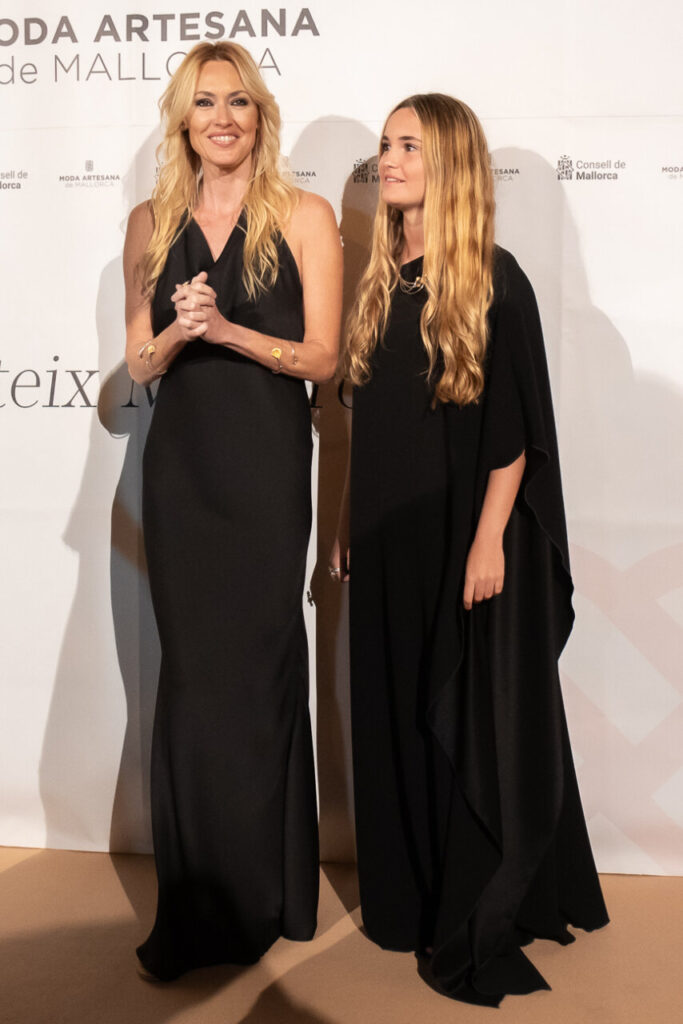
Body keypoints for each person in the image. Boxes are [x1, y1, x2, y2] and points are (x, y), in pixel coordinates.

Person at [331, 93, 608, 1006]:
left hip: (458, 540)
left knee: (450, 717)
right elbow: (367, 431)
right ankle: (400, 900)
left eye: (408, 144)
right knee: (388, 713)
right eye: (383, 144)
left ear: (449, 161)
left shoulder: (495, 276)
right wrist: (341, 525)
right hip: (379, 543)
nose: (388, 159)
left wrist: (488, 540)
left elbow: (518, 431)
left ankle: (465, 898)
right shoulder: (379, 280)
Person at [123, 41, 342, 981]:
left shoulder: (303, 214)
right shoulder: (147, 221)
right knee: (192, 682)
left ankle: (266, 893)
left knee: (256, 673)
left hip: (262, 473)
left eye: (239, 102)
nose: (223, 117)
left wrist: (230, 329)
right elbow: (139, 364)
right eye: (206, 102)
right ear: (183, 118)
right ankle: (196, 903)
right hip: (182, 477)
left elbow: (325, 360)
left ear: (260, 118)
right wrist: (178, 326)